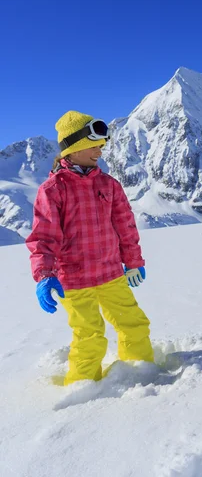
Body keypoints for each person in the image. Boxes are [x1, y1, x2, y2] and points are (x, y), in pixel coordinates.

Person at [26, 111, 154, 385]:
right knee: (90, 336)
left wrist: (133, 261)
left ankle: (141, 374)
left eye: (102, 145)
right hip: (73, 280)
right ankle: (82, 391)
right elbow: (43, 237)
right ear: (73, 148)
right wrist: (45, 274)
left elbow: (125, 227)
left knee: (134, 324)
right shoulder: (52, 190)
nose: (100, 151)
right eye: (94, 145)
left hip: (111, 274)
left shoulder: (109, 185)